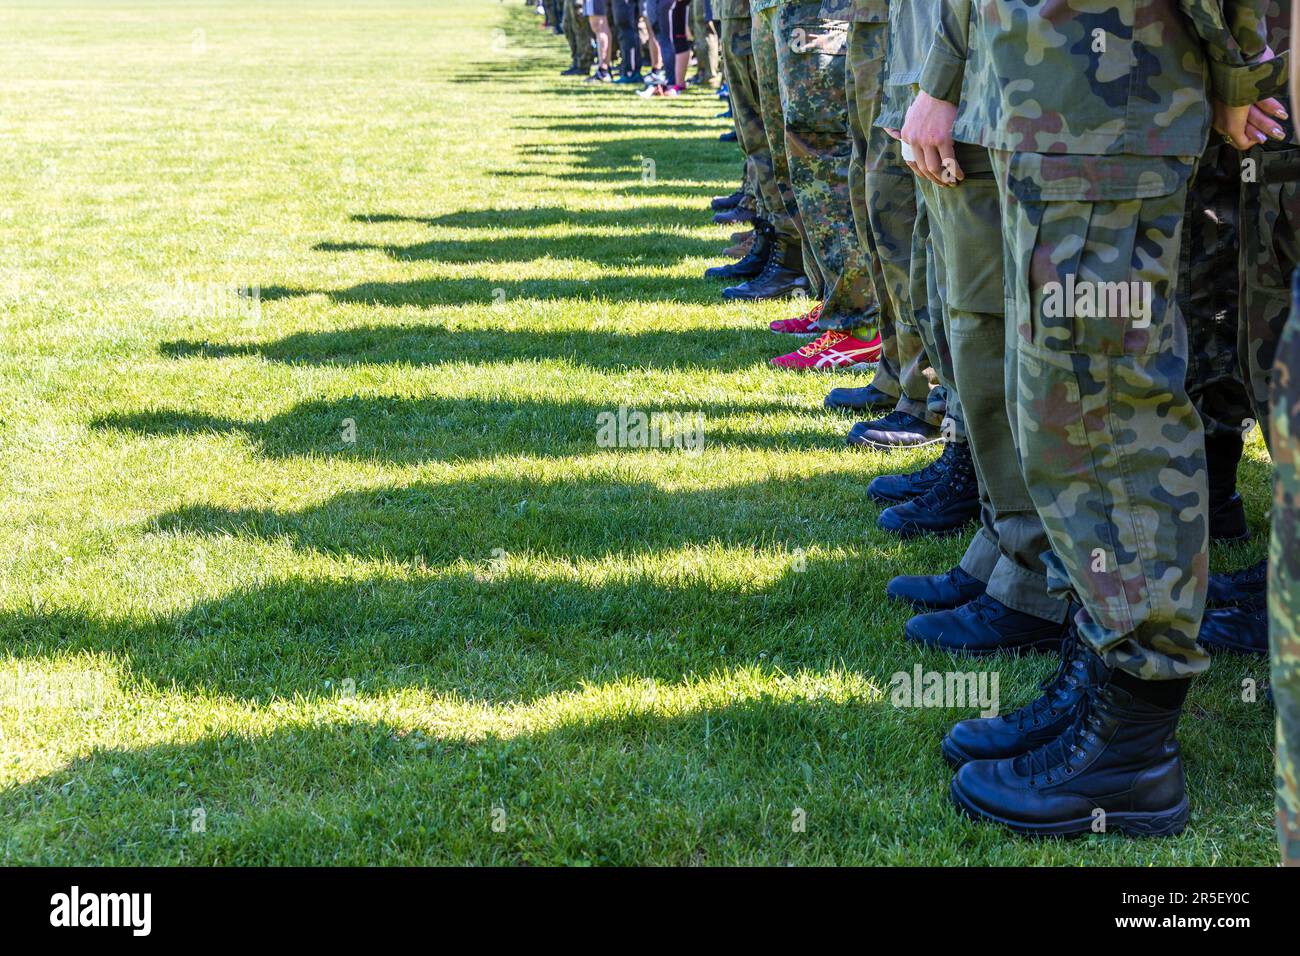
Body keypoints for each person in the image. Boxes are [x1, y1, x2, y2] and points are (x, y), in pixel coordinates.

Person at [919, 0, 1281, 837]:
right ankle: (1102, 662)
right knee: (1063, 410)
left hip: (1107, 97)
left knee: (1105, 410)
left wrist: (1238, 70)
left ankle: (1134, 743)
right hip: (1056, 93)